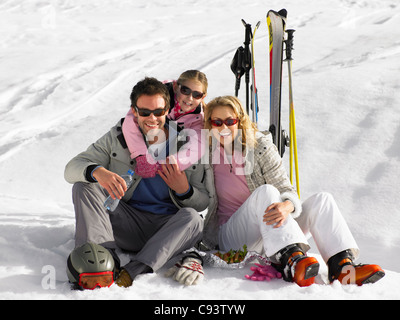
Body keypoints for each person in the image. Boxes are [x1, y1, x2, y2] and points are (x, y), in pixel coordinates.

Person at [201, 95, 385, 287]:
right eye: (217, 122)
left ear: (240, 121)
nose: (223, 128)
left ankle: (343, 268)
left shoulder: (260, 147)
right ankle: (292, 261)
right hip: (232, 237)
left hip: (271, 233)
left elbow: (285, 188)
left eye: (230, 121)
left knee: (322, 200)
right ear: (209, 124)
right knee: (266, 192)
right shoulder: (205, 151)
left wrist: (288, 205)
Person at [64, 77, 211, 288]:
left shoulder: (187, 144)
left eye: (158, 112)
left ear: (167, 110)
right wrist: (98, 172)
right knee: (84, 186)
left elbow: (202, 202)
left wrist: (184, 191)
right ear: (134, 111)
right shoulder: (118, 137)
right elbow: (72, 168)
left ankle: (136, 268)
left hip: (166, 231)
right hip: (125, 222)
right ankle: (101, 260)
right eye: (144, 112)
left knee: (193, 218)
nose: (152, 118)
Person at [122, 70, 208, 178]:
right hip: (143, 143)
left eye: (197, 94)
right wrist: (142, 155)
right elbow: (131, 118)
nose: (190, 98)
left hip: (166, 151)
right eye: (185, 90)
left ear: (203, 97)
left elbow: (197, 147)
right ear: (176, 86)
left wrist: (169, 165)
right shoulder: (158, 94)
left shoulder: (197, 118)